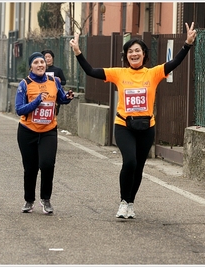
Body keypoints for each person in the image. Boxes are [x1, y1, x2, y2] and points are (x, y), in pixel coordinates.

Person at [69, 22, 197, 219]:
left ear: (144, 54)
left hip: (147, 127)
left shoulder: (152, 73)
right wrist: (78, 52)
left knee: (138, 167)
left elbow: (174, 63)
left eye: (137, 51)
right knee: (129, 161)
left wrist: (187, 44)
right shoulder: (119, 73)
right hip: (124, 126)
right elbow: (91, 71)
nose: (134, 54)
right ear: (126, 56)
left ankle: (130, 203)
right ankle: (122, 202)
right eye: (130, 51)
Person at [15, 52, 74, 214]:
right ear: (31, 67)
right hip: (28, 131)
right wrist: (36, 101)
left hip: (49, 130)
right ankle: (29, 200)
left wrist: (68, 97)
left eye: (42, 62)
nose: (40, 64)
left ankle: (46, 199)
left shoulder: (54, 81)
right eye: (36, 62)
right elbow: (19, 109)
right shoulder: (24, 84)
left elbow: (61, 98)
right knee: (31, 168)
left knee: (47, 164)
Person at [41, 49, 67, 115]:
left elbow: (64, 82)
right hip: (43, 94)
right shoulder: (41, 70)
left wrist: (59, 81)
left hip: (54, 95)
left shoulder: (58, 70)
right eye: (45, 57)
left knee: (53, 113)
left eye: (49, 57)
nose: (47, 59)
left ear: (52, 58)